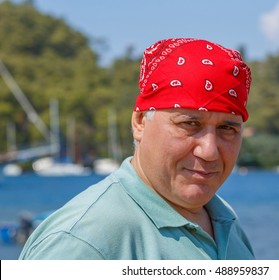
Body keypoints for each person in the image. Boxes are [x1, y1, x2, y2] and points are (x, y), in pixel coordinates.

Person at [19, 38, 255, 260]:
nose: (209, 151)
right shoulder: (84, 242)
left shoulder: (225, 220)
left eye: (227, 128)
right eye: (190, 124)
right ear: (140, 122)